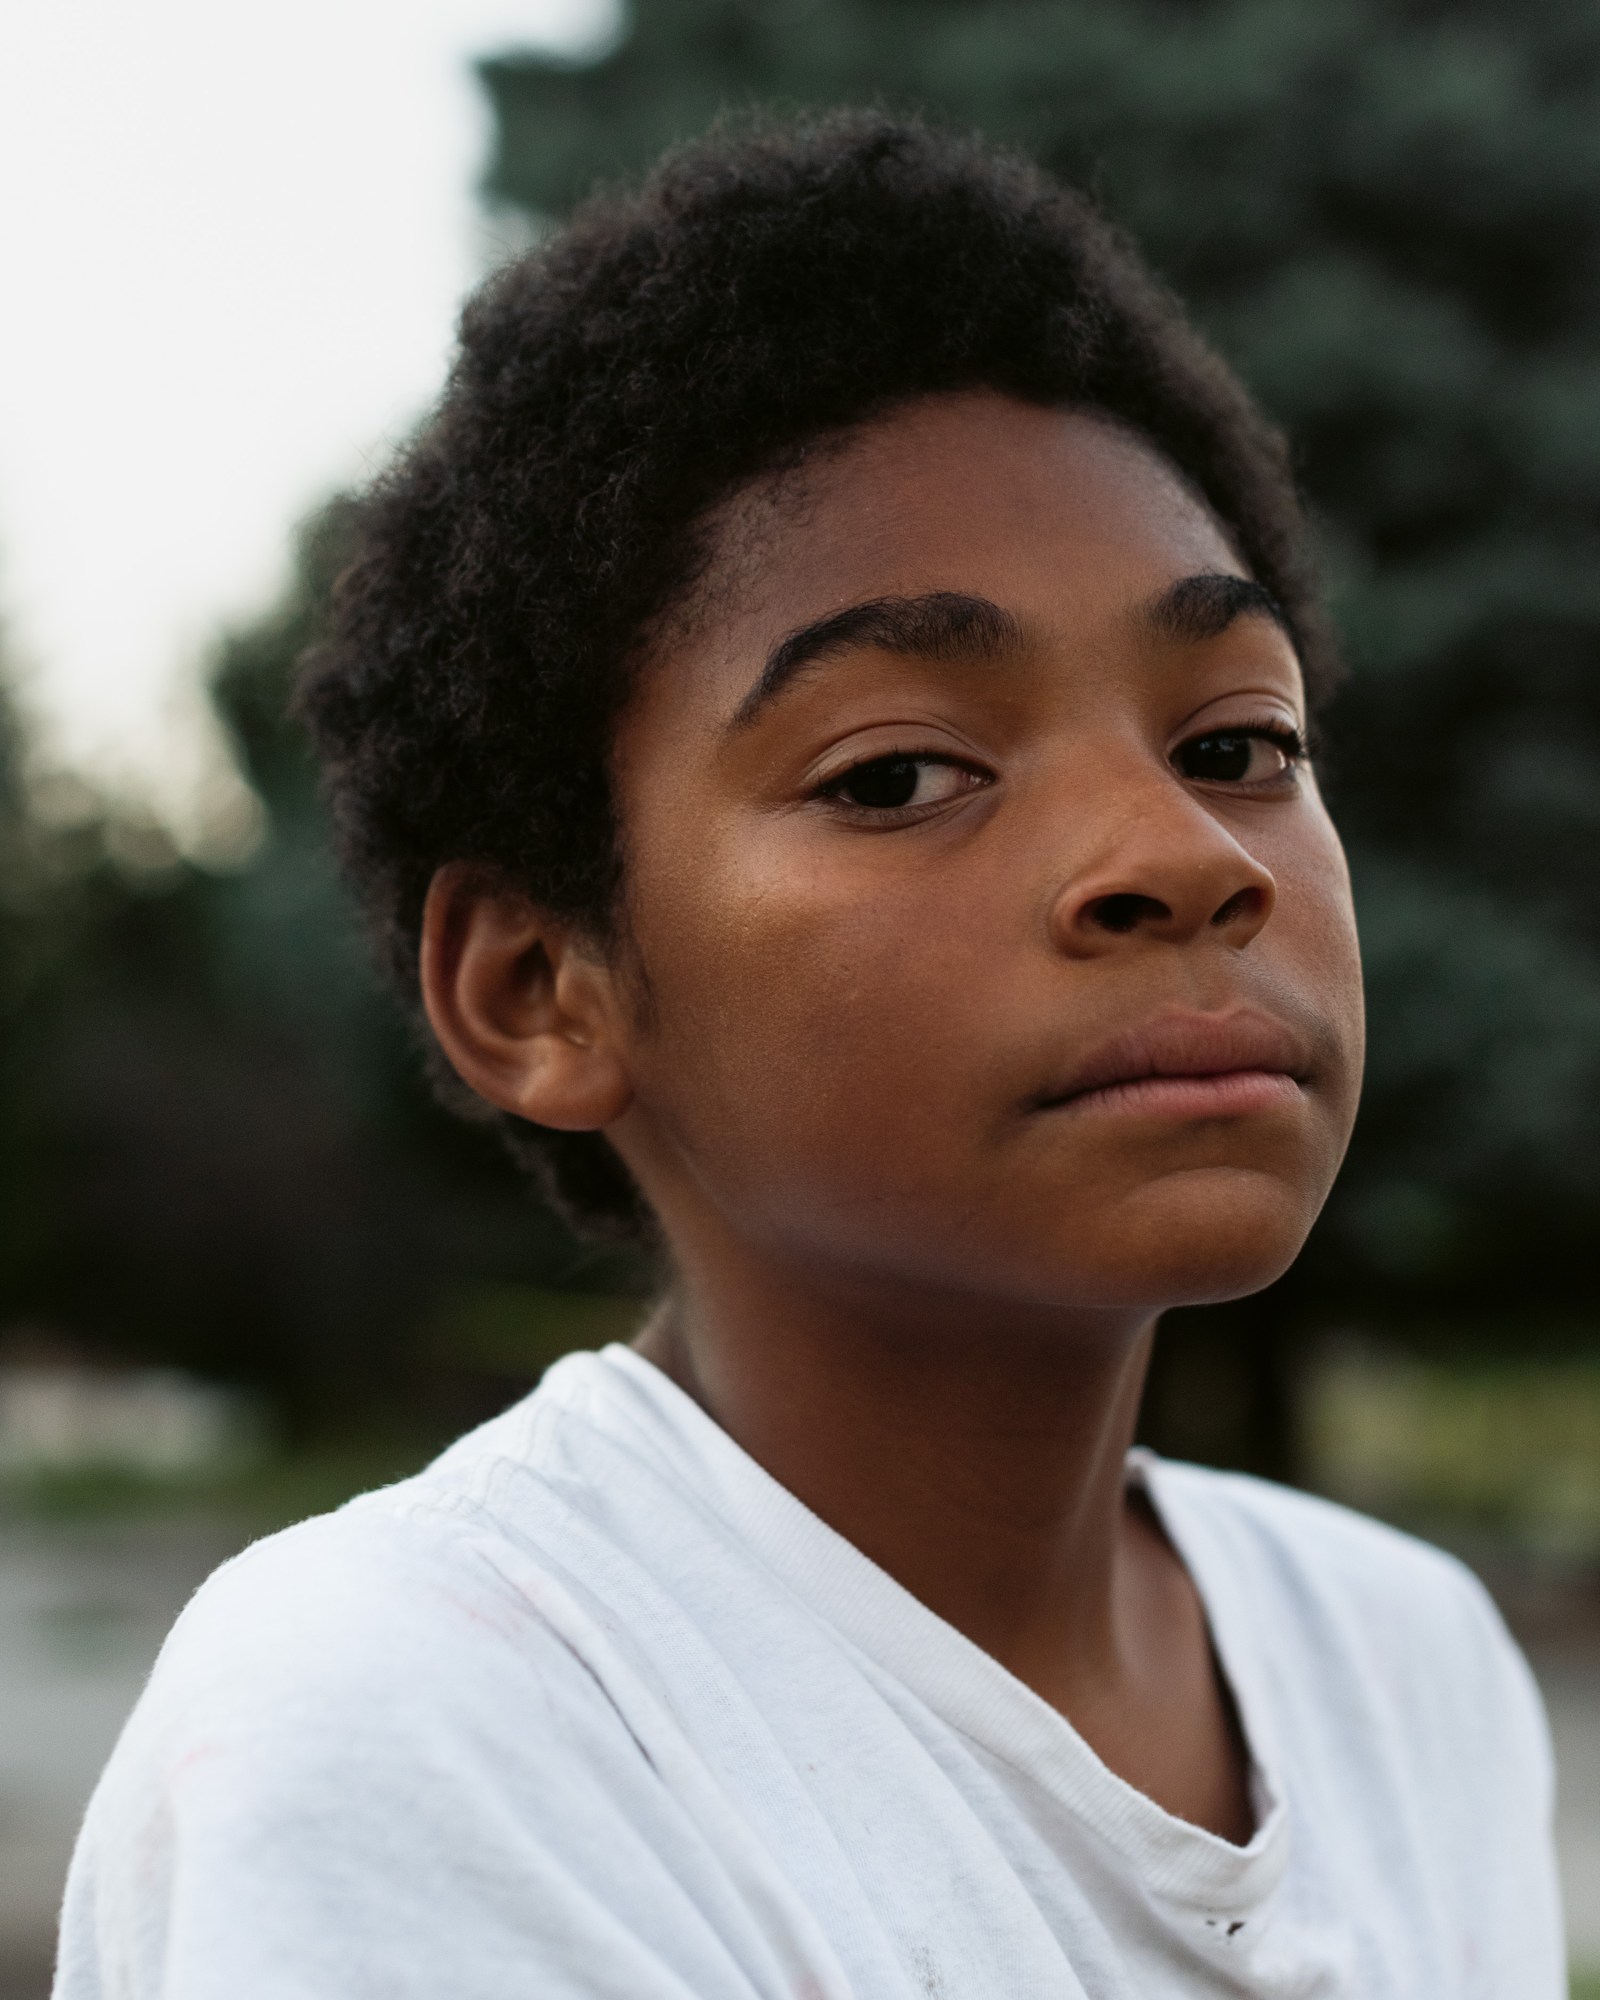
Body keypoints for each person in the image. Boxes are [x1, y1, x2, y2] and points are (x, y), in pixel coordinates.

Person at [54, 111, 1563, 1998]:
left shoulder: (1405, 1663)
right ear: (541, 987)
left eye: (1238, 743)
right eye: (904, 773)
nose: (1184, 857)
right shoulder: (435, 1716)